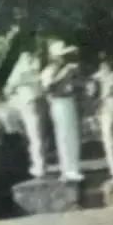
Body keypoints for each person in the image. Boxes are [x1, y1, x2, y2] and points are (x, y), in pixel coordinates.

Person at [40, 40, 83, 182]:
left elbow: (75, 85)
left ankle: (73, 168)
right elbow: (48, 88)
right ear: (54, 57)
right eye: (61, 56)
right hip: (59, 103)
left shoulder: (67, 68)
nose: (63, 58)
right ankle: (67, 170)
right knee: (64, 136)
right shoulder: (49, 71)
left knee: (72, 136)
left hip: (69, 101)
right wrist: (64, 74)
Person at [3, 51, 48, 178]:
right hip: (36, 102)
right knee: (39, 136)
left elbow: (7, 90)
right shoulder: (35, 71)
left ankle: (39, 166)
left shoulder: (19, 73)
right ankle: (41, 164)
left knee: (35, 136)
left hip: (29, 103)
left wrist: (16, 91)